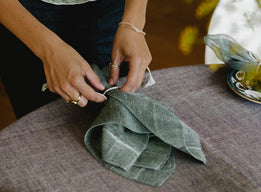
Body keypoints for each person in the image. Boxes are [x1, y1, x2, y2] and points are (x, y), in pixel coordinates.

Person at [0, 0, 152, 118]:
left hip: (109, 9)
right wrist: (49, 50)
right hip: (19, 12)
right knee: (41, 125)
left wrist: (133, 23)